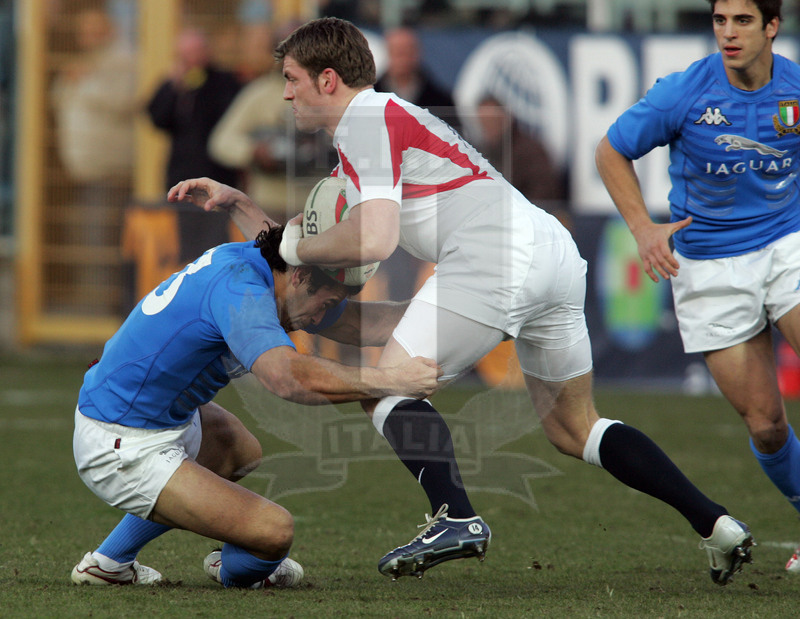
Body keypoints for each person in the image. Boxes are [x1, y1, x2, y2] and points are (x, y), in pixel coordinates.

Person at [174, 17, 756, 586]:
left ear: (328, 80)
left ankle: (456, 517)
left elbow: (367, 240)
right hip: (550, 251)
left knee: (384, 386)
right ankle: (716, 524)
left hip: (494, 255)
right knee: (574, 428)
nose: (285, 93)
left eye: (293, 79)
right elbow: (298, 253)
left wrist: (296, 247)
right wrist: (241, 205)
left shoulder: (366, 119)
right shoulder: (375, 129)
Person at [70, 220, 441, 588]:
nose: (320, 318)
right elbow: (286, 377)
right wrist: (392, 380)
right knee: (273, 532)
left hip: (146, 414)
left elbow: (360, 323)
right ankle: (232, 569)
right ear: (300, 276)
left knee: (238, 448)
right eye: (326, 303)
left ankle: (110, 562)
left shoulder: (262, 265)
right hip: (121, 440)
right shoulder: (242, 291)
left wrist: (455, 312)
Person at [595, 0, 800, 573]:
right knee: (766, 424)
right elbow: (610, 151)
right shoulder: (684, 91)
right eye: (719, 20)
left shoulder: (795, 89)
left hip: (787, 244)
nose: (728, 33)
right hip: (708, 266)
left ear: (772, 26)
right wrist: (643, 229)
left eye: (743, 21)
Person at [50, 8, 137, 314]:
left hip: (111, 172)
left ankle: (105, 307)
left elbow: (125, 100)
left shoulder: (123, 59)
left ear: (109, 29)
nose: (87, 36)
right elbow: (57, 97)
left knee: (102, 242)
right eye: (83, 30)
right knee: (88, 239)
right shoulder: (85, 61)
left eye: (94, 29)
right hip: (84, 173)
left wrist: (86, 79)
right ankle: (92, 302)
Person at [146, 27, 242, 263]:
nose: (191, 60)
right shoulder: (176, 84)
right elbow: (156, 117)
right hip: (182, 175)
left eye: (195, 52)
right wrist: (174, 89)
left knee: (216, 242)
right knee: (187, 245)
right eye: (185, 54)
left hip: (217, 175)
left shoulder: (224, 82)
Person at [474, 96, 570, 230]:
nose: (489, 127)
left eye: (492, 120)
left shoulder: (530, 151)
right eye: (484, 122)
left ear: (505, 118)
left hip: (528, 226)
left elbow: (544, 196)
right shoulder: (480, 153)